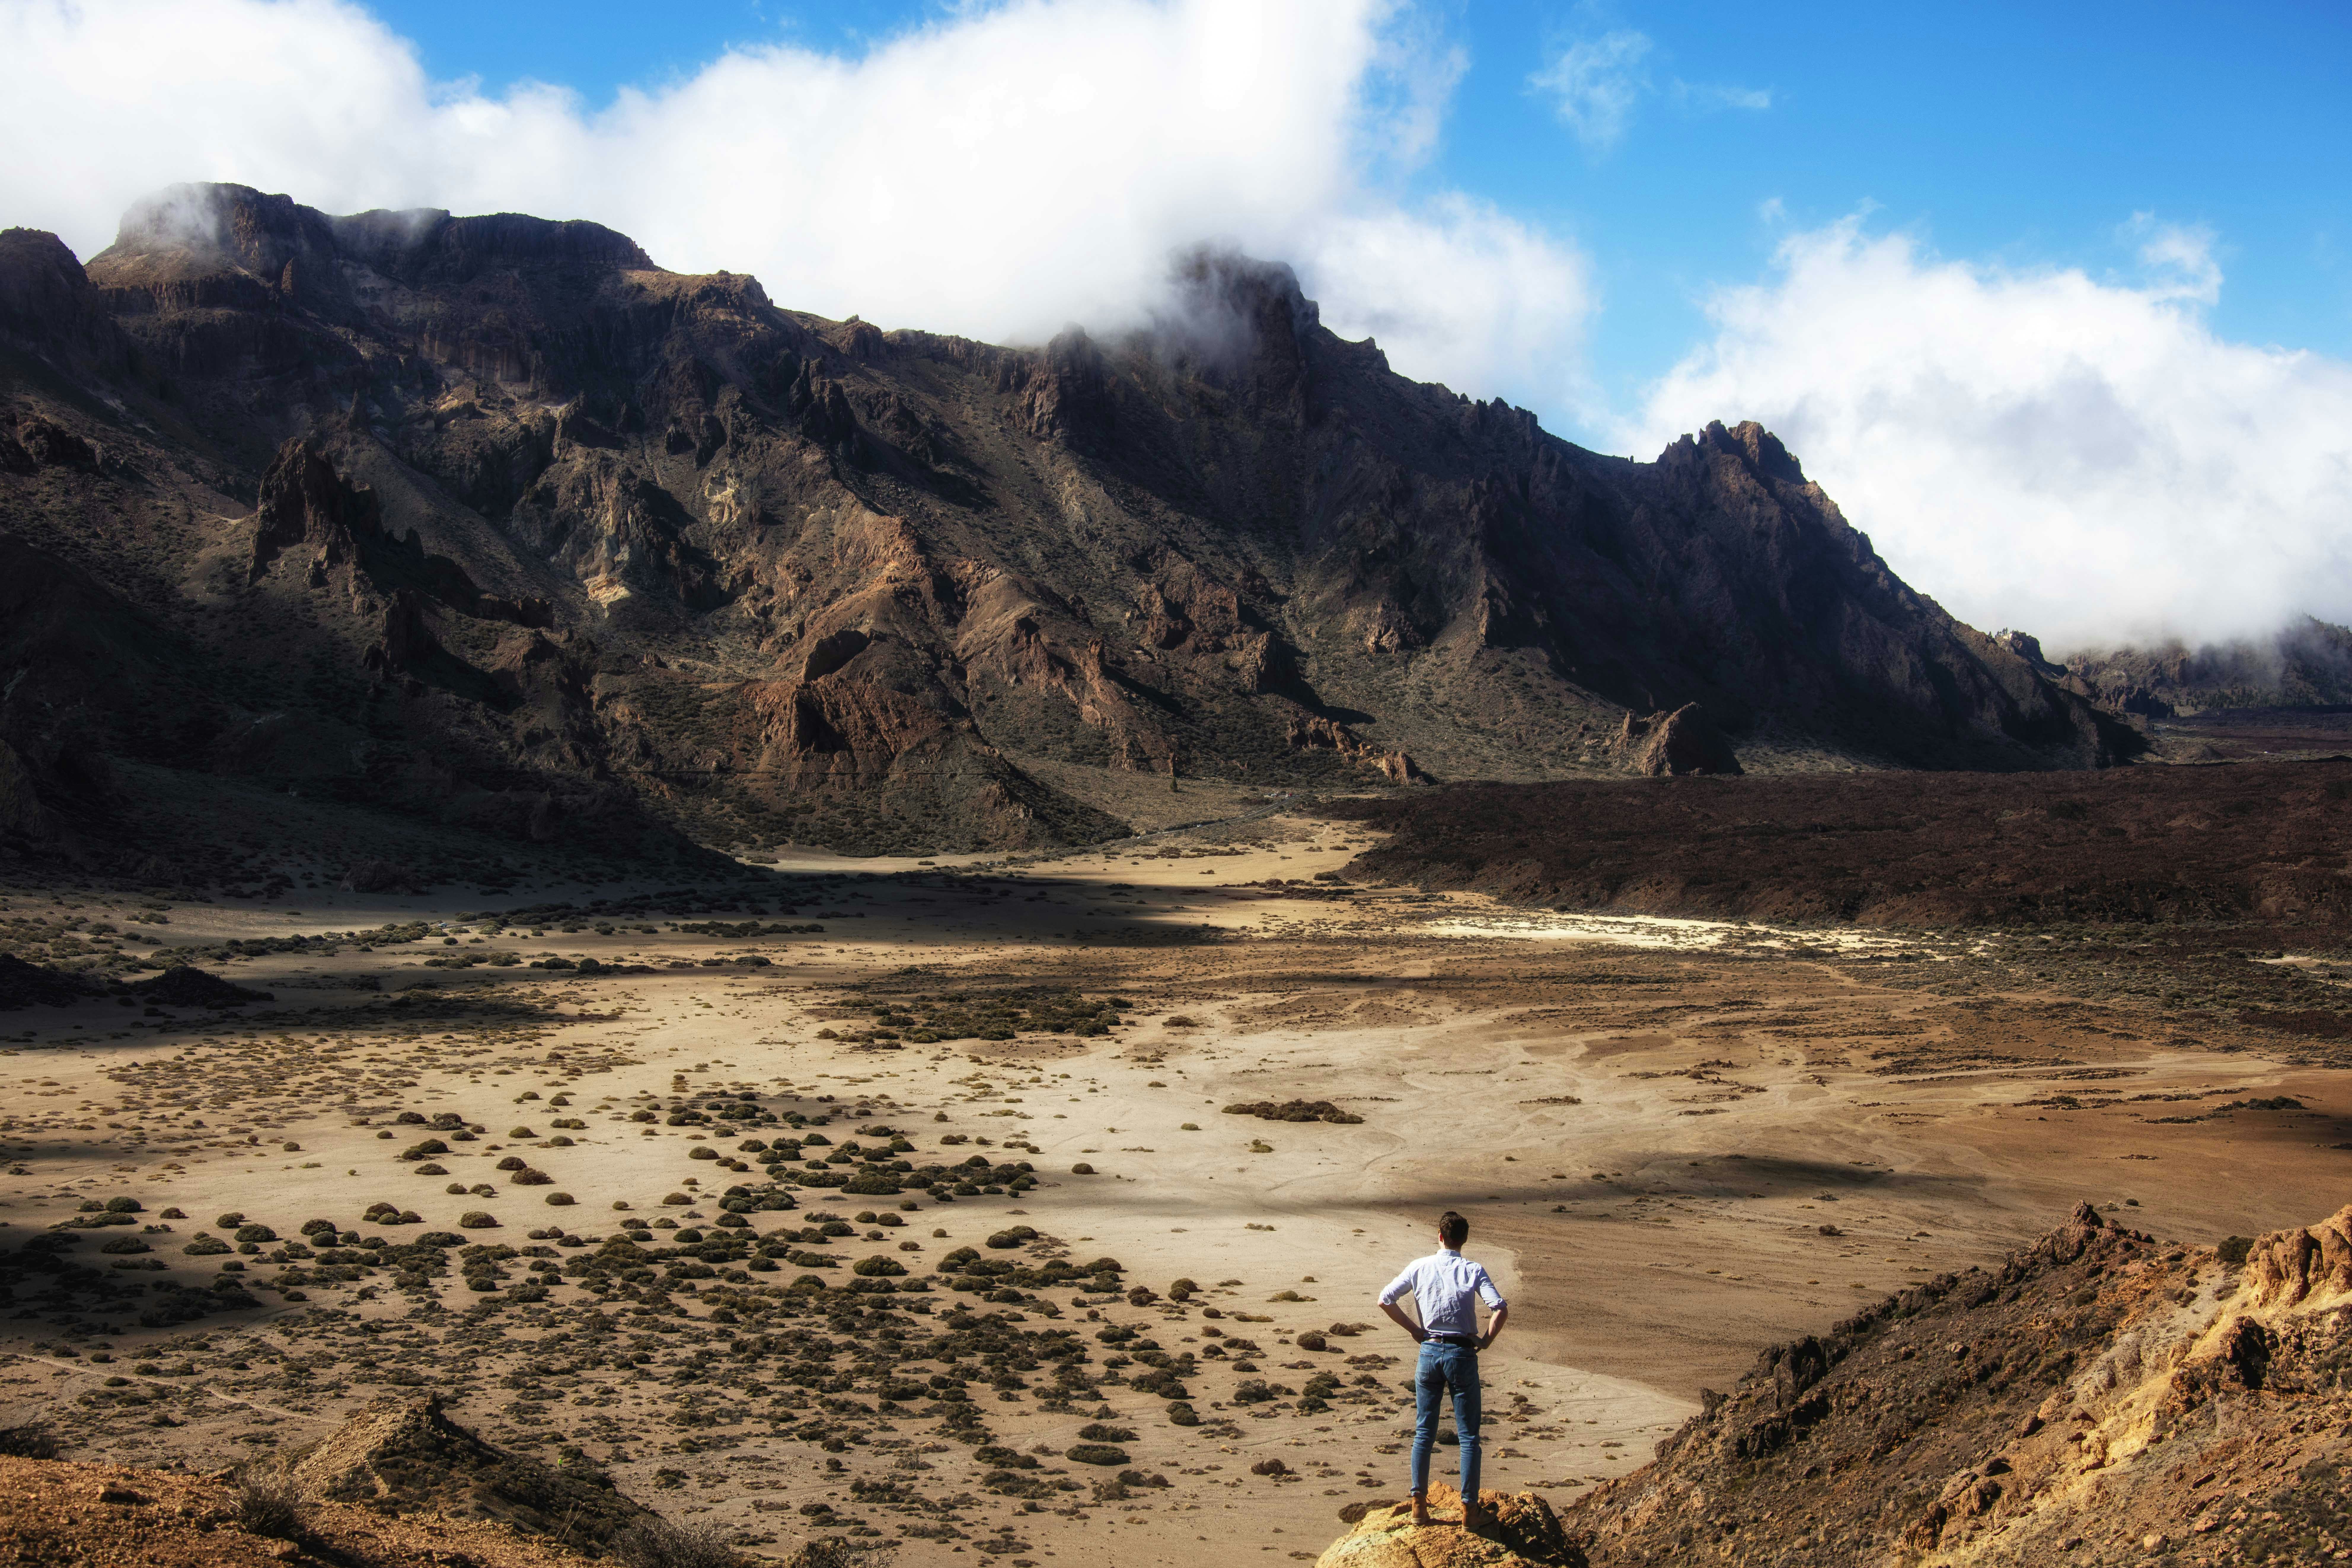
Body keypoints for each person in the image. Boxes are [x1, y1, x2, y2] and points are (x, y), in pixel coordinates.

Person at [1376, 1209, 1508, 1527]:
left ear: (1439, 1236)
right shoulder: (1473, 1269)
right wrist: (1485, 1341)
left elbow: (1385, 1299)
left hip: (1429, 1351)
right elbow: (1499, 1308)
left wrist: (1414, 1330)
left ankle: (1419, 1506)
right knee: (1468, 1437)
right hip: (1462, 1353)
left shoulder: (1419, 1266)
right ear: (1464, 1239)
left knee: (1424, 1431)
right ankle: (1469, 1511)